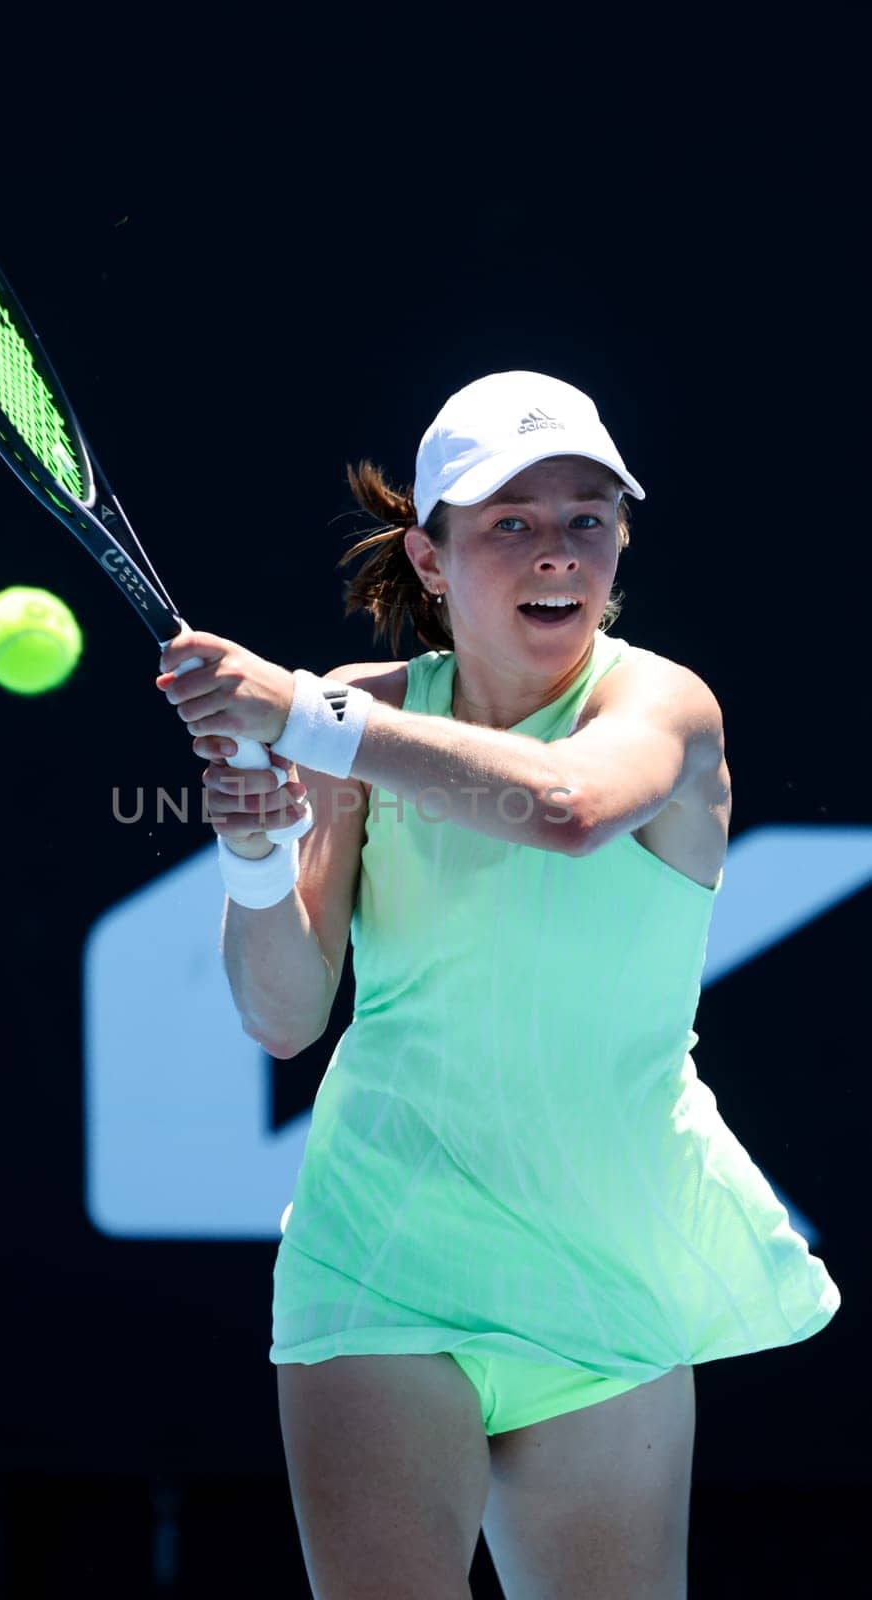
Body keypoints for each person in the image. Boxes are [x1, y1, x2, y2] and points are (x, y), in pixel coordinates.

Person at [156, 372, 840, 1600]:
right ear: (428, 555)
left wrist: (299, 718)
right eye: (507, 523)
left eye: (586, 516)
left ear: (620, 537)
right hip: (381, 1260)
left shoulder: (658, 703)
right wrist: (252, 856)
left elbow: (570, 807)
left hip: (608, 1276)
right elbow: (281, 1014)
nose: (555, 551)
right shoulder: (356, 720)